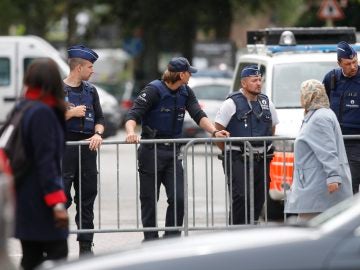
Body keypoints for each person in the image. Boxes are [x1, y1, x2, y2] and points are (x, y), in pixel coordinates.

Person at [125, 57, 229, 241]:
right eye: (189, 72)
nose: (190, 75)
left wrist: (214, 132)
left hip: (173, 152)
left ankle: (171, 238)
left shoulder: (185, 92)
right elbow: (133, 114)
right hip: (151, 151)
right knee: (149, 200)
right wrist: (131, 132)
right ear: (181, 74)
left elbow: (198, 114)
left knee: (179, 198)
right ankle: (150, 239)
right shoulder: (153, 90)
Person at [5, 59, 69, 270]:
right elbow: (46, 161)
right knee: (58, 254)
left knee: (31, 256)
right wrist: (57, 203)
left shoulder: (22, 107)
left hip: (22, 194)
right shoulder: (42, 112)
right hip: (40, 198)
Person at [214, 65, 279, 225]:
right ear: (244, 83)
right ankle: (235, 232)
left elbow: (271, 128)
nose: (258, 83)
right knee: (241, 197)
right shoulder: (231, 103)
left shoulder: (266, 102)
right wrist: (230, 152)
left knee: (259, 197)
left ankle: (251, 230)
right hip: (238, 159)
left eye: (260, 80)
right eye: (254, 80)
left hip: (261, 159)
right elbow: (217, 132)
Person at [285, 79, 352, 221]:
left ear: (310, 96)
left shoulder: (320, 117)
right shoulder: (319, 115)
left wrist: (333, 177)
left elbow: (327, 150)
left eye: (303, 94)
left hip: (317, 188)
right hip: (314, 186)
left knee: (307, 232)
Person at [62, 45, 105, 255]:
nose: (92, 70)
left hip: (88, 149)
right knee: (61, 199)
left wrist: (98, 133)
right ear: (78, 68)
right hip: (64, 150)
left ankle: (86, 247)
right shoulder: (57, 90)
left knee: (87, 200)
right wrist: (71, 114)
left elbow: (100, 118)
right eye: (89, 66)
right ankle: (55, 245)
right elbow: (46, 119)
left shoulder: (91, 91)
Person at [323, 41, 360, 195]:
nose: (353, 66)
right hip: (335, 141)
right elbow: (320, 105)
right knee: (342, 188)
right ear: (339, 63)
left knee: (351, 184)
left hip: (355, 141)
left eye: (355, 62)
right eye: (348, 63)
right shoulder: (331, 78)